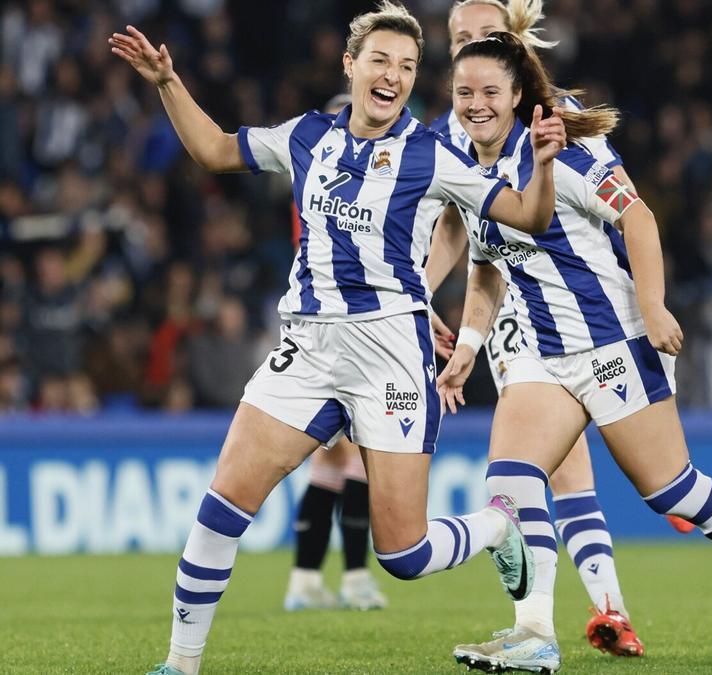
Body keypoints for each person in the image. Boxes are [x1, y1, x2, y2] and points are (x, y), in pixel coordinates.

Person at [110, 2, 570, 673]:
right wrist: (166, 83)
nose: (394, 75)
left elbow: (527, 214)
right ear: (351, 65)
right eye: (382, 60)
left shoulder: (433, 155)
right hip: (306, 347)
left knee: (403, 554)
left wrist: (546, 163)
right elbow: (213, 149)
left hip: (389, 355)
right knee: (221, 506)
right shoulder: (307, 137)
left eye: (408, 67)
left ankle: (499, 526)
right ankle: (179, 665)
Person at [437, 32, 712, 674]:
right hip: (540, 352)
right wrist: (472, 342)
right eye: (462, 93)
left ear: (516, 97)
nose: (474, 105)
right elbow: (485, 266)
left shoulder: (561, 153)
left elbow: (639, 219)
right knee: (508, 481)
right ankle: (533, 633)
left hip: (612, 342)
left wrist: (652, 307)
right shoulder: (462, 165)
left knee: (674, 491)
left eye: (488, 92)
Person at [423, 0, 663, 657]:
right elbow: (457, 228)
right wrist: (425, 300)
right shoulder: (449, 129)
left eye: (487, 34)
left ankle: (574, 616)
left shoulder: (555, 111)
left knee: (556, 472)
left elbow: (614, 203)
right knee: (548, 471)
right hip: (510, 309)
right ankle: (579, 618)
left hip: (572, 305)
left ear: (513, 39)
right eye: (461, 38)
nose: (474, 43)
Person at [281, 93, 387, 614]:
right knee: (358, 459)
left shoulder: (313, 174)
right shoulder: (344, 186)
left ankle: (304, 579)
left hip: (314, 321)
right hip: (342, 328)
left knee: (329, 464)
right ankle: (354, 578)